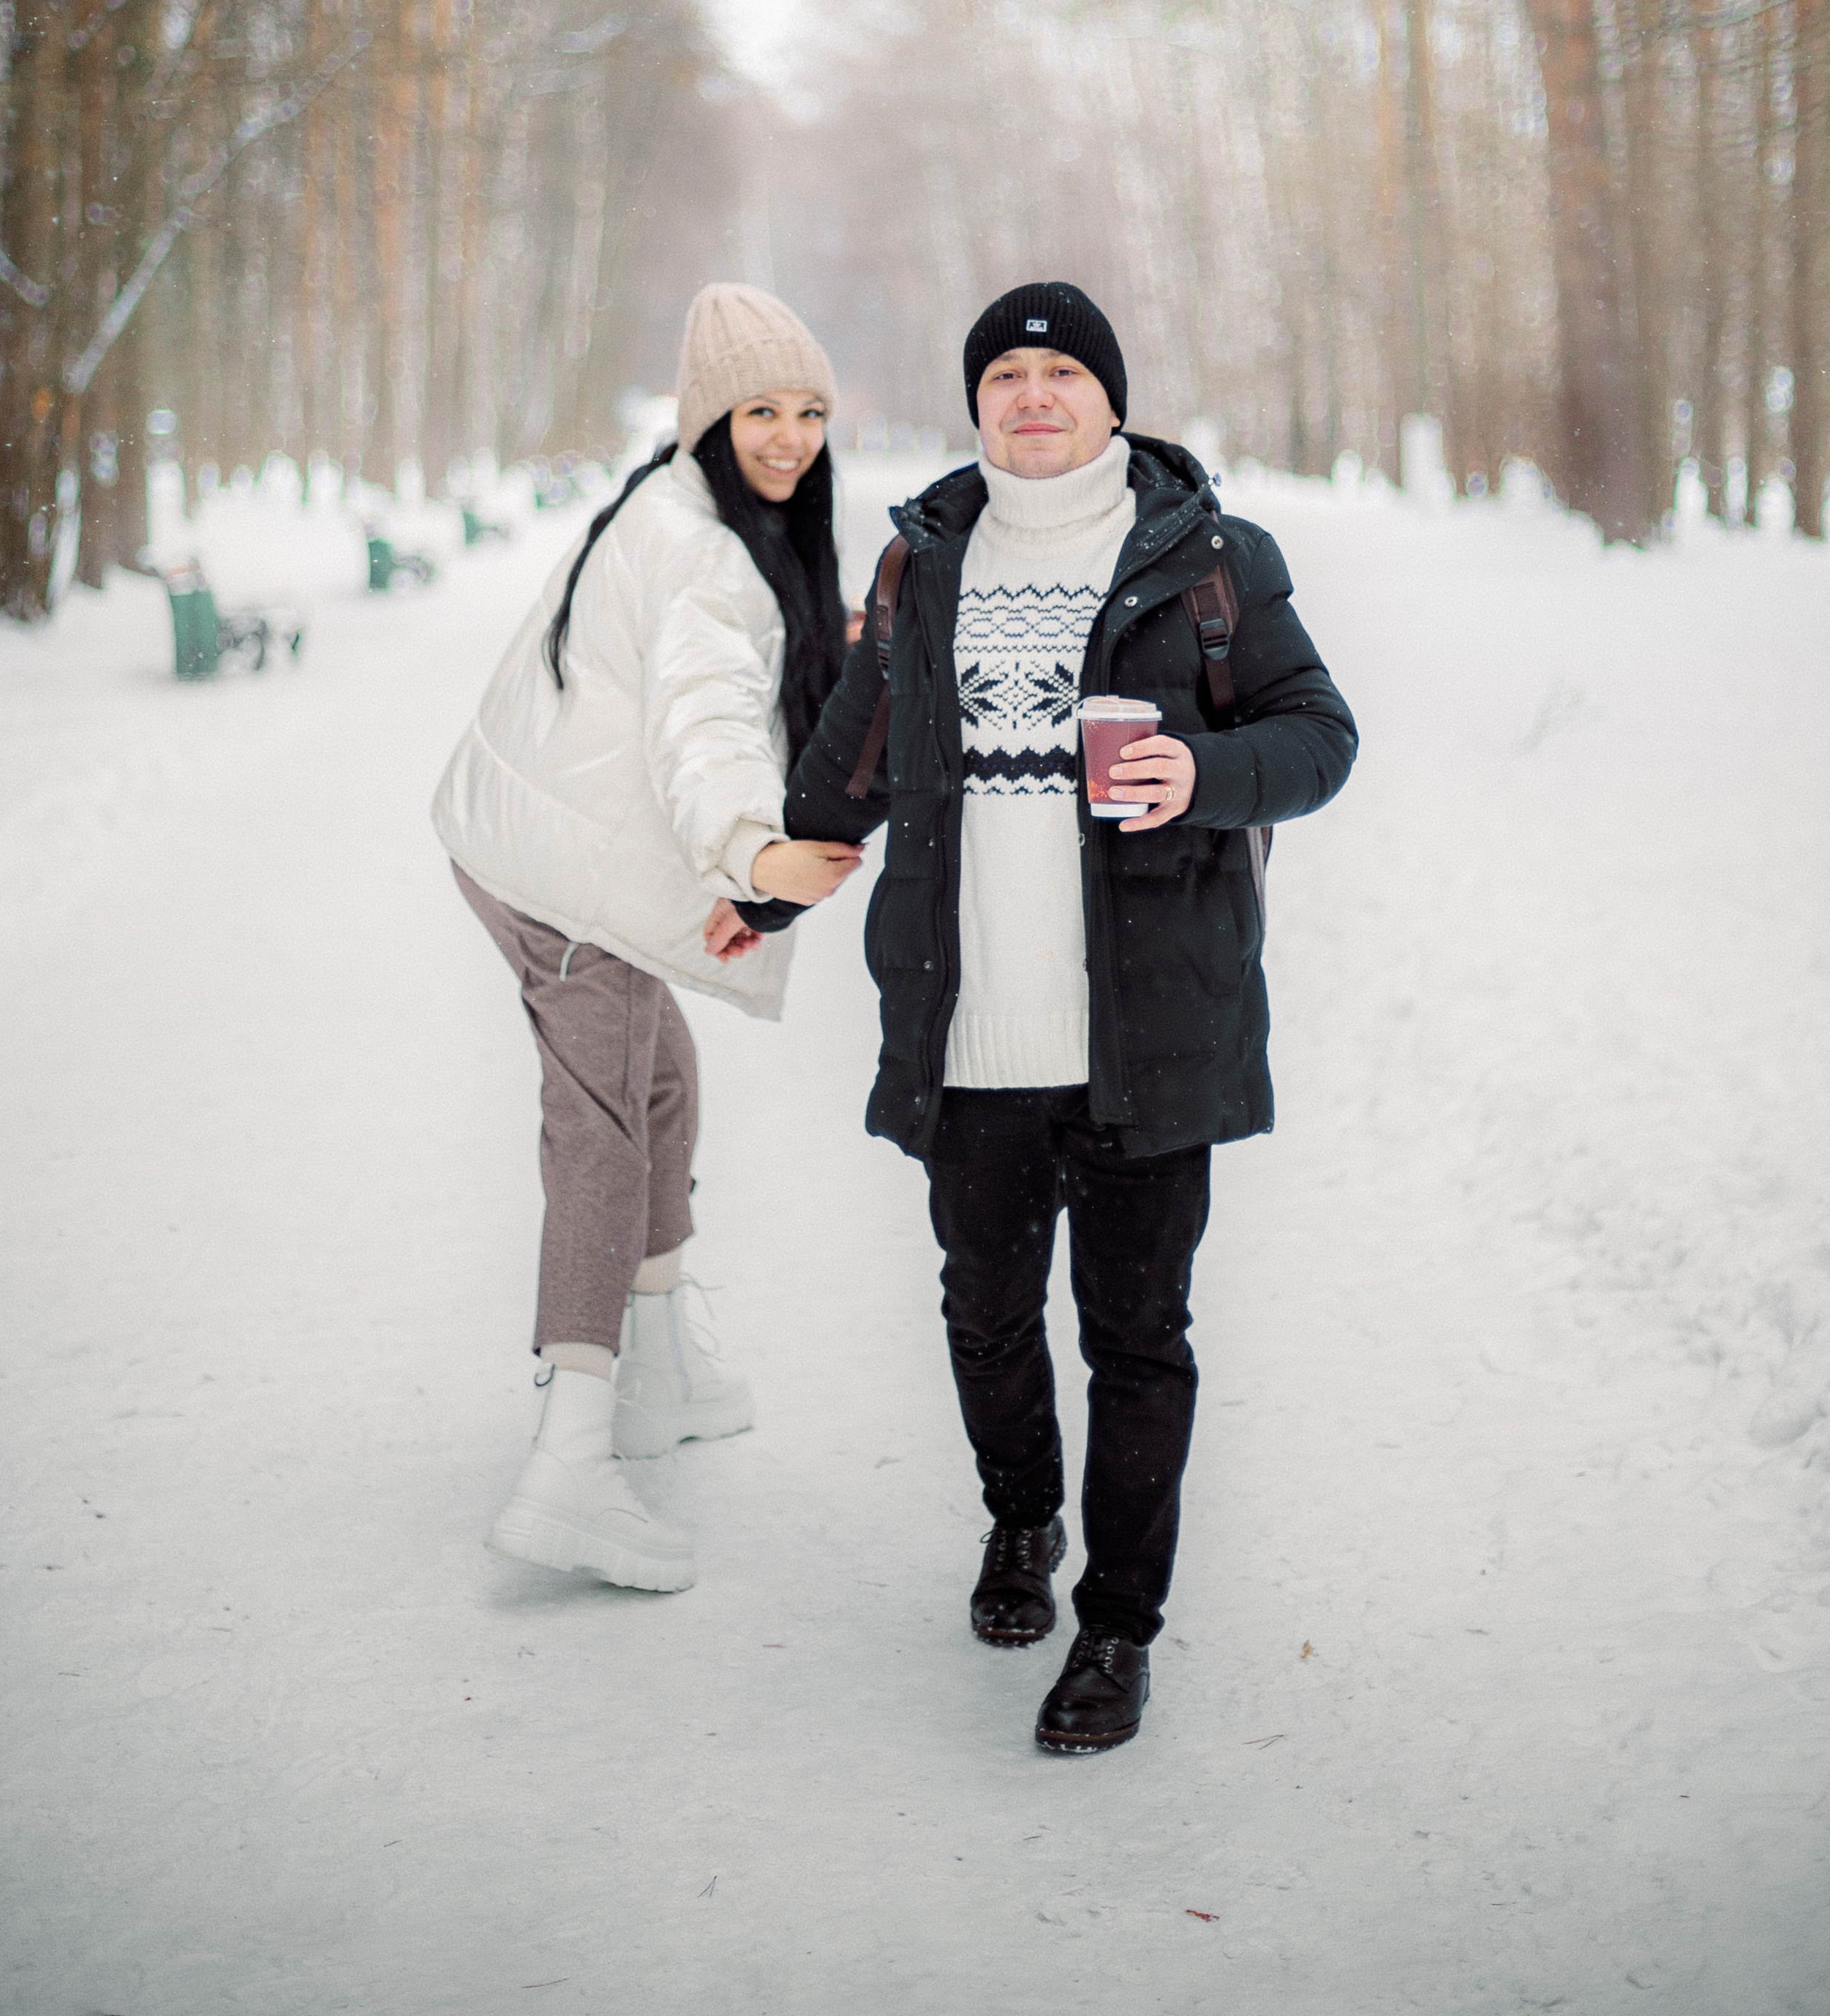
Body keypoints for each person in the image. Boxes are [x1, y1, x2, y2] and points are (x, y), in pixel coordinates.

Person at [759, 282, 1357, 1749]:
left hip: (1148, 1033)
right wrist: (759, 889)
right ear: (977, 406)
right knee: (984, 1314)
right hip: (968, 1035)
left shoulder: (1208, 557)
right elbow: (843, 766)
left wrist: (1203, 776)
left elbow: (1317, 736)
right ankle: (1021, 1518)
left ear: (1110, 398)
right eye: (1006, 379)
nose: (1034, 398)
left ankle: (1115, 1629)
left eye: (1062, 375)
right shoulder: (921, 563)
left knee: (1137, 1338)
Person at [432, 284, 862, 1594]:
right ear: (709, 419)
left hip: (535, 842)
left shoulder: (678, 508)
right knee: (605, 1127)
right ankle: (571, 1453)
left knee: (659, 1081)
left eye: (810, 411)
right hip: (566, 881)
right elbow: (703, 719)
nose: (789, 438)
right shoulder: (704, 557)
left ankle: (663, 1368)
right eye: (760, 411)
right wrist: (758, 856)